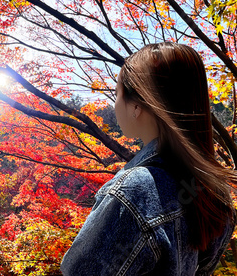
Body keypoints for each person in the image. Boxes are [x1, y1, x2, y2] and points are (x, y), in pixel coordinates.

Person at [60, 42, 236, 276]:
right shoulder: (213, 190)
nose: (114, 105)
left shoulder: (135, 192)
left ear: (136, 105)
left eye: (117, 93)